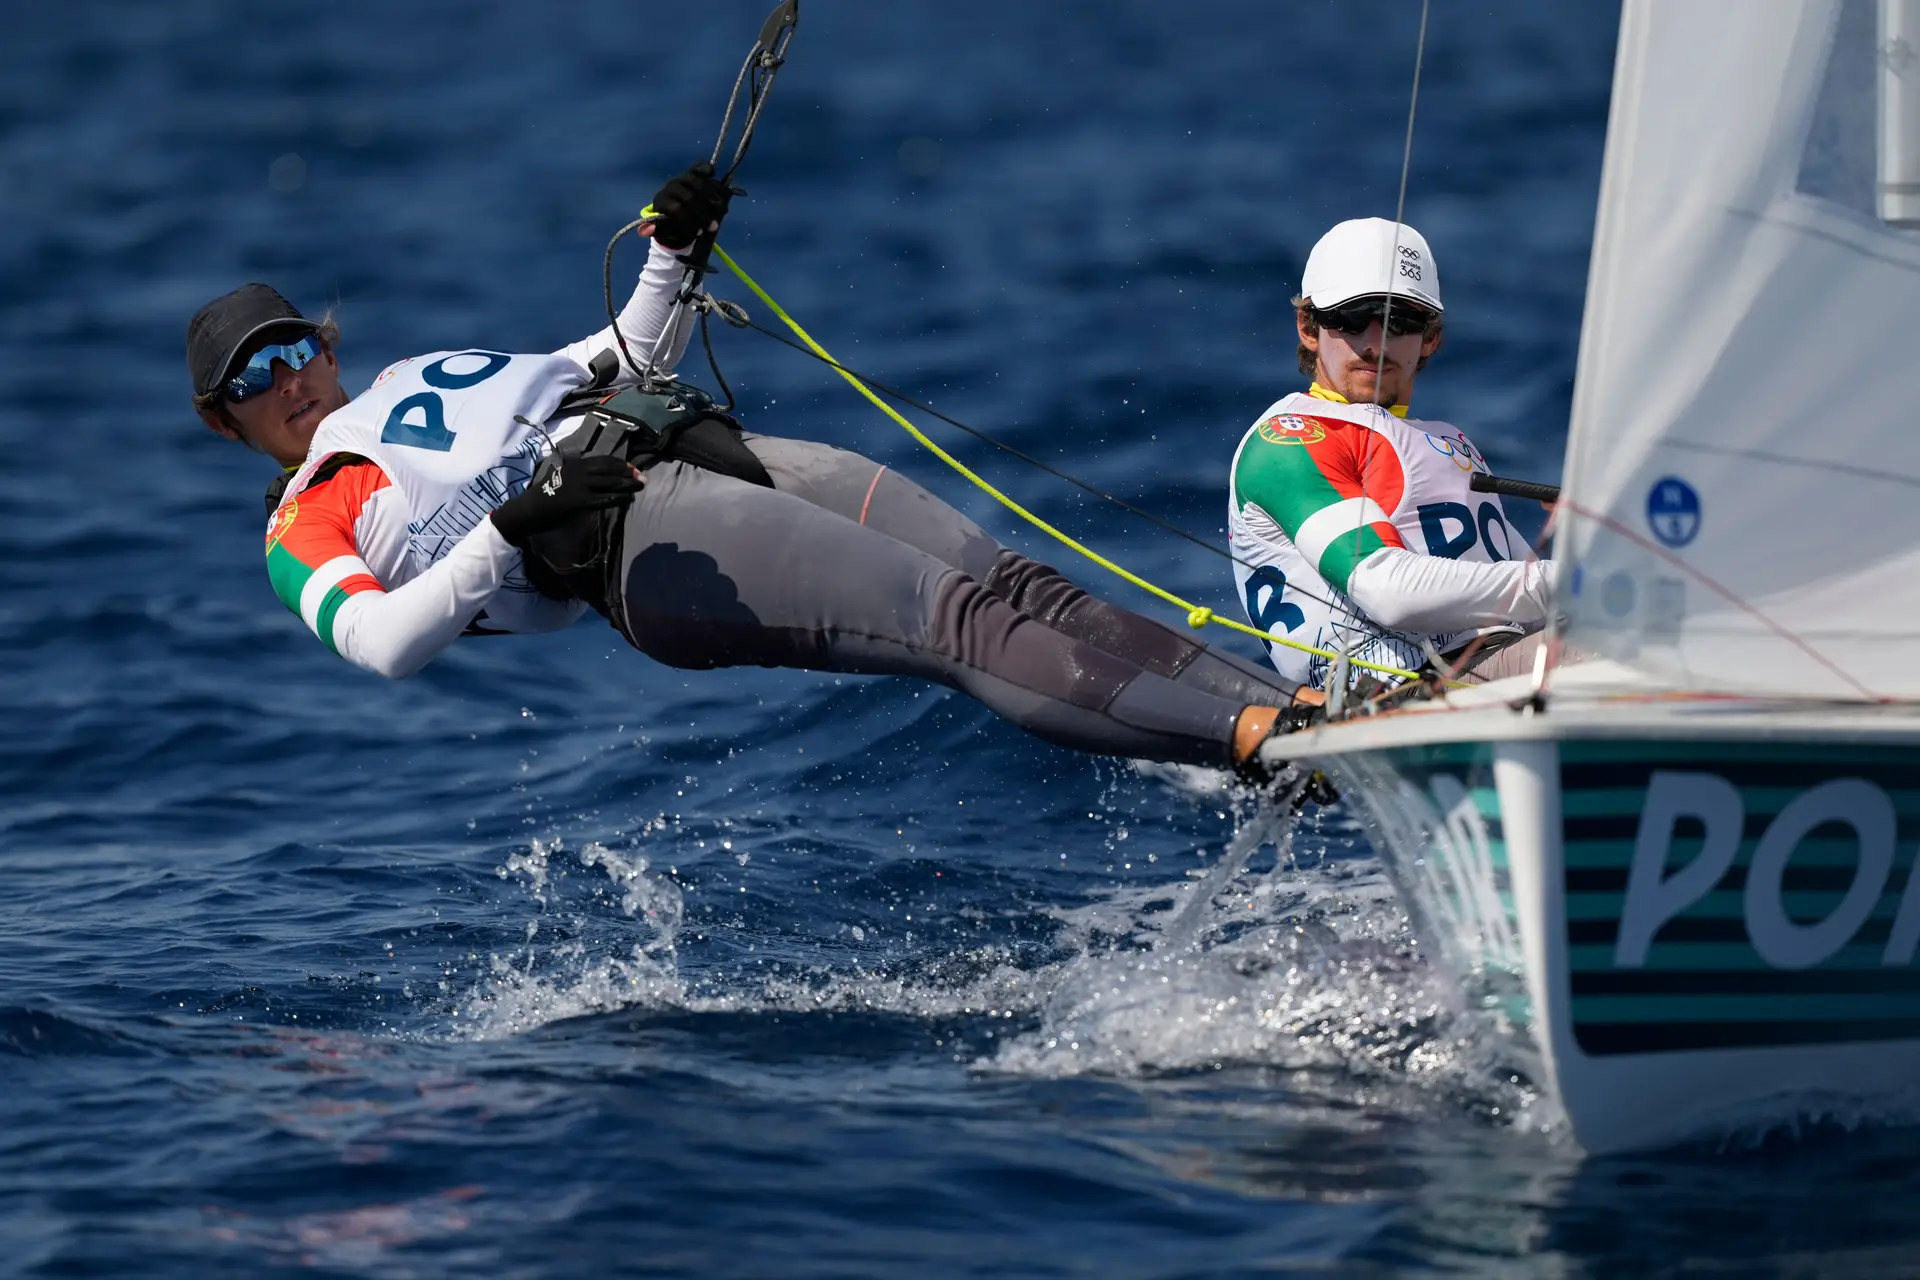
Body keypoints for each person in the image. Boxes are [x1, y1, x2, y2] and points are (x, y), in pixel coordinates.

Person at [192, 163, 1321, 775]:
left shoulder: (416, 377)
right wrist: (512, 524)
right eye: (256, 378)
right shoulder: (303, 525)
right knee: (957, 620)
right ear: (225, 420)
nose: (287, 378)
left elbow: (628, 352)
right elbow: (384, 648)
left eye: (295, 348)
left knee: (1018, 581)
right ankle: (1253, 743)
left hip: (700, 458)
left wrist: (675, 251)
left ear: (327, 344)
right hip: (644, 557)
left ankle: (1299, 705)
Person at [1226, 218, 1556, 692]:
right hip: (1400, 695)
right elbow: (1387, 590)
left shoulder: (1445, 442)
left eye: (1401, 321)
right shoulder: (1289, 442)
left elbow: (1537, 590)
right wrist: (1587, 587)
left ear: (1431, 337)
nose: (1376, 343)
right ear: (1309, 326)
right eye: (1353, 317)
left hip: (1494, 675)